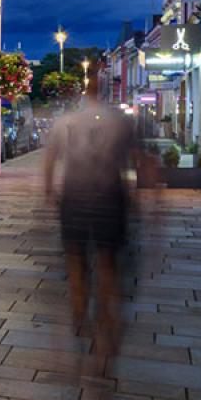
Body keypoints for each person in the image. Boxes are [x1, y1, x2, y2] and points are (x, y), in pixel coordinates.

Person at [43, 98, 144, 374]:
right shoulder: (119, 122)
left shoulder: (65, 122)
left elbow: (51, 160)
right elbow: (138, 161)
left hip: (75, 199)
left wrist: (49, 192)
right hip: (110, 199)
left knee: (75, 259)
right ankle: (106, 319)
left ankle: (79, 312)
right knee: (107, 261)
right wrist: (141, 199)